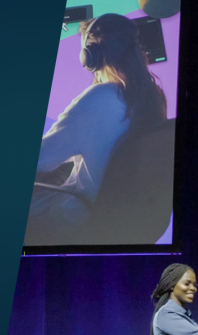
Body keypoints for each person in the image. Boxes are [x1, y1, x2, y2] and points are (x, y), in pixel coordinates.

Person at [27, 13, 167, 239]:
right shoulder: (153, 96)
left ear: (89, 56)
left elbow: (42, 160)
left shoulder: (98, 98)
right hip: (123, 217)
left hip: (75, 219)